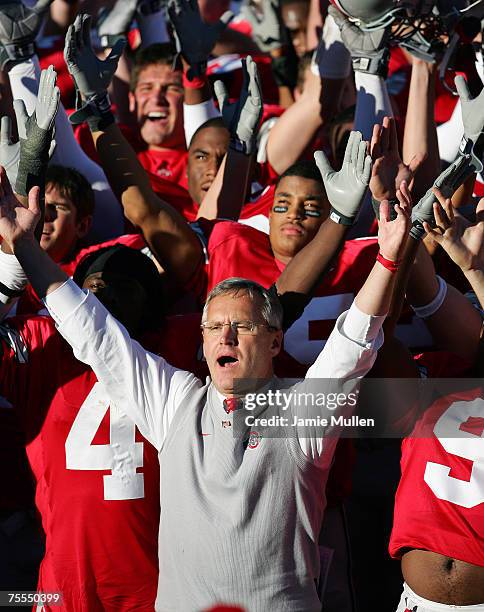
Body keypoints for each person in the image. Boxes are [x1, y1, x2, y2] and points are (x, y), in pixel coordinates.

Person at [0, 136, 411, 609]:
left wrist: (390, 256)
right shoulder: (177, 402)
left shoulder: (301, 411)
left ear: (275, 340)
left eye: (241, 326)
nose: (226, 337)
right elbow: (93, 331)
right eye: (214, 326)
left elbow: (354, 342)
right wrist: (25, 248)